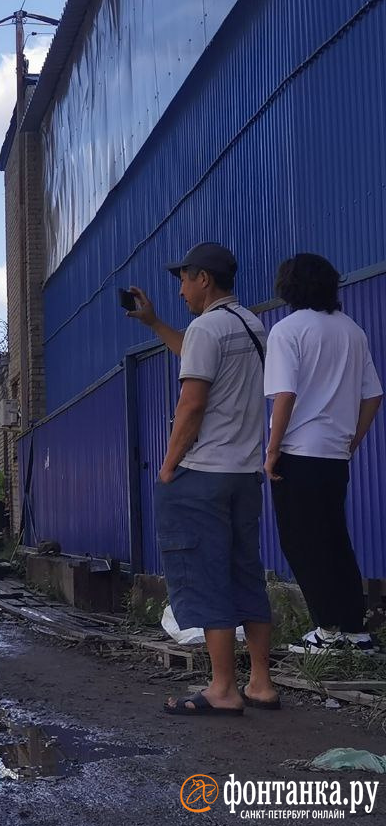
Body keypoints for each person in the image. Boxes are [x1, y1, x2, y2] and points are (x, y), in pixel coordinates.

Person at [127, 242, 279, 715]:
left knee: (206, 575)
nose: (180, 289)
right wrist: (153, 324)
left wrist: (170, 465)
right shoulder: (250, 326)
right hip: (243, 474)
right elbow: (196, 354)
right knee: (244, 572)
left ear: (204, 279)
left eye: (184, 280)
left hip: (204, 474)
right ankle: (260, 684)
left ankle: (221, 689)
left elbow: (191, 404)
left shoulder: (206, 327)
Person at [264, 253, 382, 654]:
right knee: (335, 539)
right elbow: (373, 395)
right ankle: (355, 630)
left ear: (288, 287)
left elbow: (285, 394)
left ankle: (327, 631)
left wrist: (272, 448)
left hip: (298, 452)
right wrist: (352, 441)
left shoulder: (287, 330)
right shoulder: (352, 331)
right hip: (335, 456)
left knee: (301, 542)